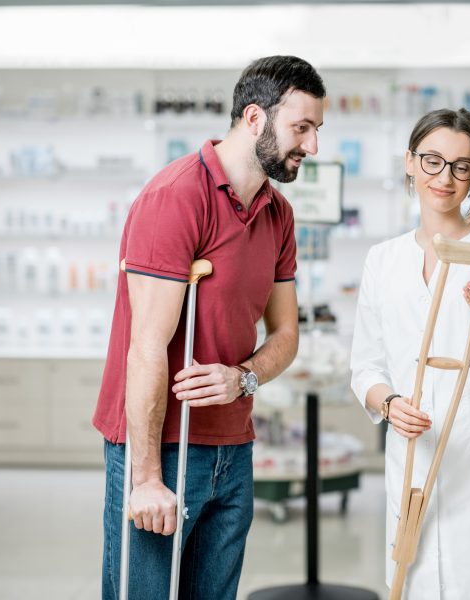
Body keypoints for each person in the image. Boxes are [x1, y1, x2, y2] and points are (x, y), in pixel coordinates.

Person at [93, 55, 325, 599]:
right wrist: (147, 478)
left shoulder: (278, 214)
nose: (313, 147)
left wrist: (243, 377)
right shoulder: (175, 197)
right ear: (253, 118)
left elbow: (286, 336)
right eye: (302, 128)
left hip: (233, 445)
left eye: (317, 130)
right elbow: (147, 348)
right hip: (162, 444)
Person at [350, 108, 470, 599]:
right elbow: (366, 366)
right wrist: (389, 404)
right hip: (415, 459)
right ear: (410, 163)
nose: (446, 177)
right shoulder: (383, 259)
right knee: (415, 583)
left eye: (462, 166)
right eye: (433, 161)